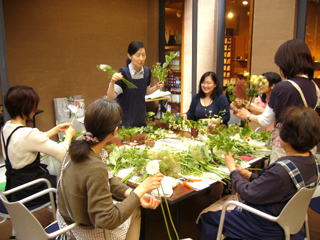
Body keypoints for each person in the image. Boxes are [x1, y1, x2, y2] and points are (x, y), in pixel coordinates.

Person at [198, 106, 320, 240]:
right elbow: (275, 186)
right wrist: (247, 174)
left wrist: (232, 169)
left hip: (267, 225)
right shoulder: (311, 161)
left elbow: (248, 193)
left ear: (287, 135)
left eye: (280, 127)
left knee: (206, 218)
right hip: (289, 222)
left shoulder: (281, 171)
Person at [56, 97, 164, 240]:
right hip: (87, 231)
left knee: (132, 202)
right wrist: (141, 189)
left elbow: (107, 179)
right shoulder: (94, 166)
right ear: (115, 131)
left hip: (68, 219)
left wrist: (131, 193)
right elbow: (109, 220)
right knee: (135, 211)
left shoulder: (78, 145)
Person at [235, 39, 319, 163]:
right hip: (306, 146)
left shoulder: (283, 87)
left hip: (286, 147)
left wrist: (247, 116)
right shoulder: (314, 86)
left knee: (283, 178)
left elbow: (266, 120)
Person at [1, 85, 75, 206]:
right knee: (73, 183)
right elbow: (62, 154)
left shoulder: (7, 127)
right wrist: (68, 136)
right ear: (26, 108)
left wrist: (54, 130)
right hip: (32, 189)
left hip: (15, 186)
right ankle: (64, 218)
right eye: (34, 105)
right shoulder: (28, 134)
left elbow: (29, 143)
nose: (34, 109)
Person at [106, 41, 164, 128]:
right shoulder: (123, 73)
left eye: (143, 55)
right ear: (129, 56)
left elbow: (144, 92)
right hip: (125, 123)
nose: (141, 58)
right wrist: (113, 82)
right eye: (138, 55)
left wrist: (156, 87)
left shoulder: (147, 72)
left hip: (141, 120)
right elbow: (110, 97)